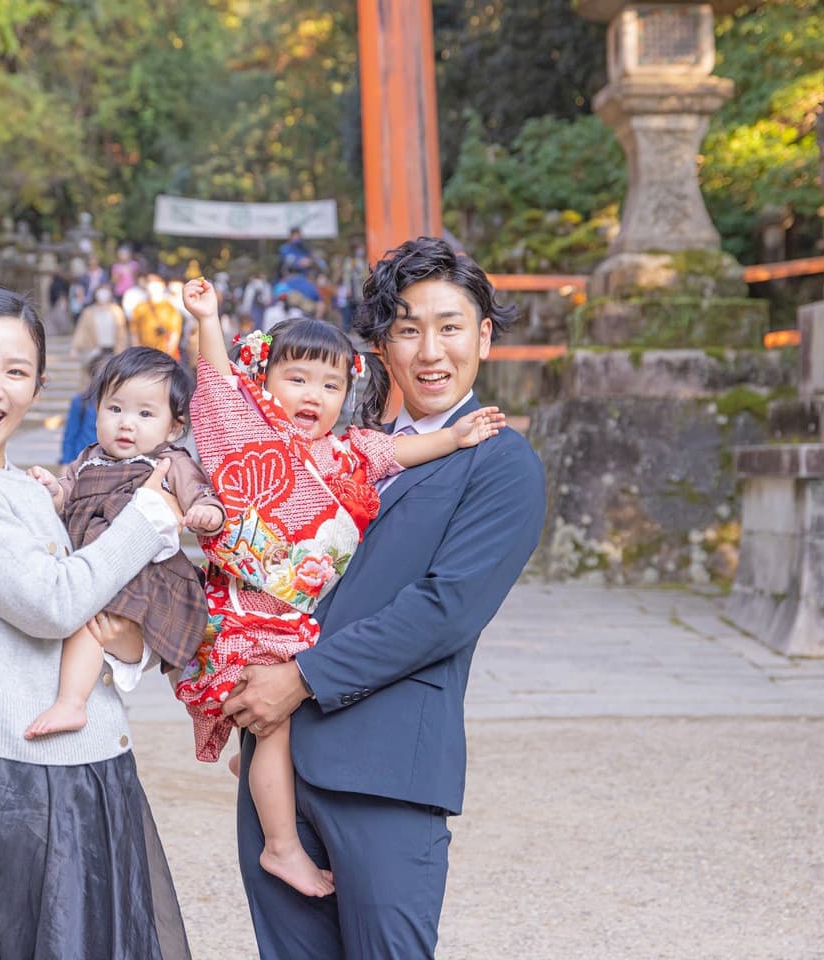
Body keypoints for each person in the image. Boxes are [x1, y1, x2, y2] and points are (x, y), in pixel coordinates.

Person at [217, 236, 546, 957]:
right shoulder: (341, 448)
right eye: (407, 328)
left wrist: (299, 679)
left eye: (450, 326)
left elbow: (444, 609)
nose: (430, 350)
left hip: (386, 775)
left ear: (483, 337)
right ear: (381, 347)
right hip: (277, 760)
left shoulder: (501, 464)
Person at [176, 278, 505, 900]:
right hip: (247, 615)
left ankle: (260, 784)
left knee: (270, 730)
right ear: (263, 382)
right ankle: (281, 845)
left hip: (293, 626)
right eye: (296, 379)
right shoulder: (244, 437)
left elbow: (397, 454)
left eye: (331, 386)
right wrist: (208, 318)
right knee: (269, 729)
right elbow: (218, 385)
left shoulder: (346, 452)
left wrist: (456, 438)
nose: (314, 395)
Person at [0, 287, 192, 960]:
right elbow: (56, 603)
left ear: (36, 384)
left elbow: (109, 614)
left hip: (87, 760)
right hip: (19, 777)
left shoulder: (24, 486)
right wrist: (149, 517)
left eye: (15, 371)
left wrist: (131, 641)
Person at [24, 347, 226, 739]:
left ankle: (71, 703)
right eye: (115, 409)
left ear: (172, 428)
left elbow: (201, 495)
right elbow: (66, 493)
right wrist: (52, 490)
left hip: (148, 580)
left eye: (145, 414)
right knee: (89, 624)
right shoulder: (88, 459)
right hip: (99, 568)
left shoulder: (170, 463)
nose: (126, 424)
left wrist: (207, 513)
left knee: (92, 625)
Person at [59, 351, 112, 466]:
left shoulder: (120, 405)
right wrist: (66, 461)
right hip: (82, 460)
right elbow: (70, 435)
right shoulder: (81, 401)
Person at [70, 281, 129, 365]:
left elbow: (122, 332)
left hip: (113, 350)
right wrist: (74, 348)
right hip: (94, 350)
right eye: (101, 290)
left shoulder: (117, 310)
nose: (103, 293)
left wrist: (123, 349)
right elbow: (81, 330)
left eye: (106, 290)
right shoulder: (88, 312)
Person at [130, 275, 183, 359]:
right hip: (144, 356)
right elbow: (134, 333)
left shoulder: (170, 308)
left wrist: (168, 355)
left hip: (163, 355)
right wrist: (137, 354)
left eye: (156, 283)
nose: (153, 287)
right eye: (150, 283)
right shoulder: (140, 307)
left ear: (163, 285)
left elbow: (175, 334)